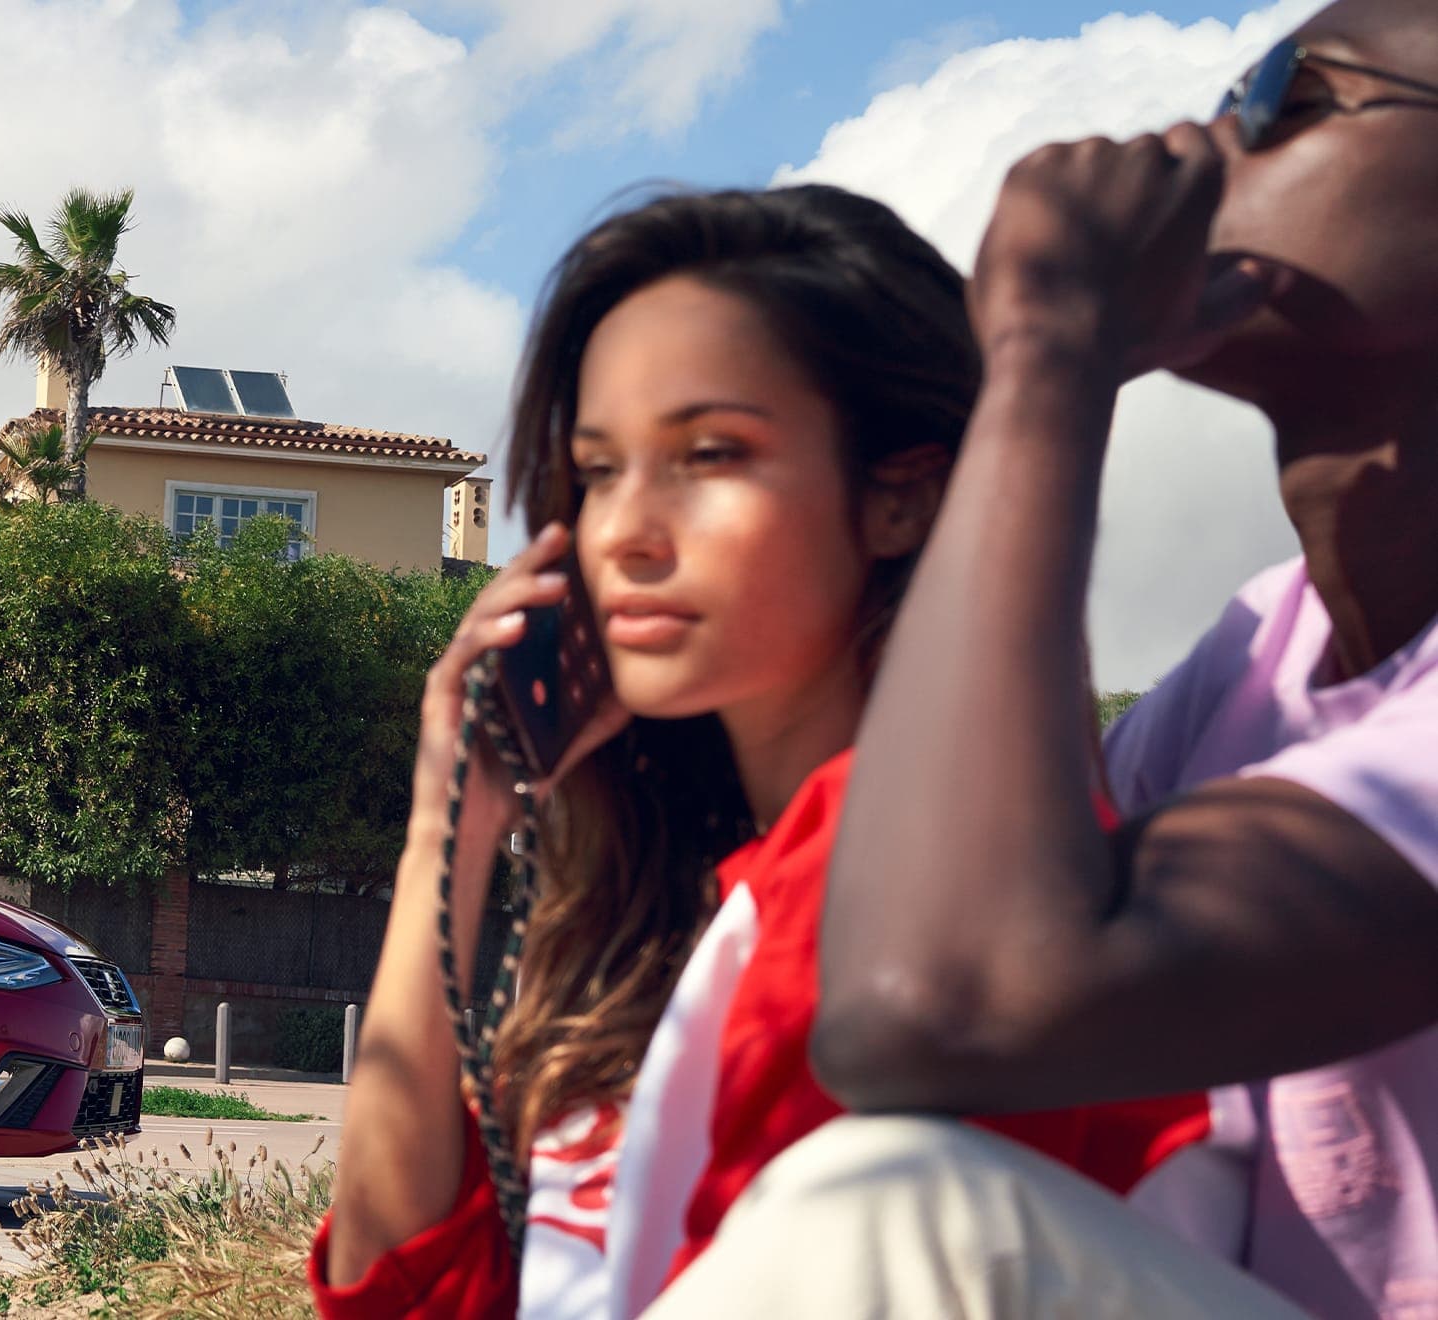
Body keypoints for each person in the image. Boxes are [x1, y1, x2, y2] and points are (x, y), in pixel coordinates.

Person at [653, 2, 1438, 1315]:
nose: (1202, 139)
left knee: (902, 1216)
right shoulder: (1257, 646)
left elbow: (935, 1006)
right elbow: (955, 891)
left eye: (1284, 96)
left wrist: (1049, 353)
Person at [312, 185, 1214, 1320]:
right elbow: (399, 1296)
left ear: (902, 497)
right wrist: (447, 824)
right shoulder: (664, 925)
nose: (628, 531)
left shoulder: (941, 894)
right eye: (596, 472)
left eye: (710, 453)